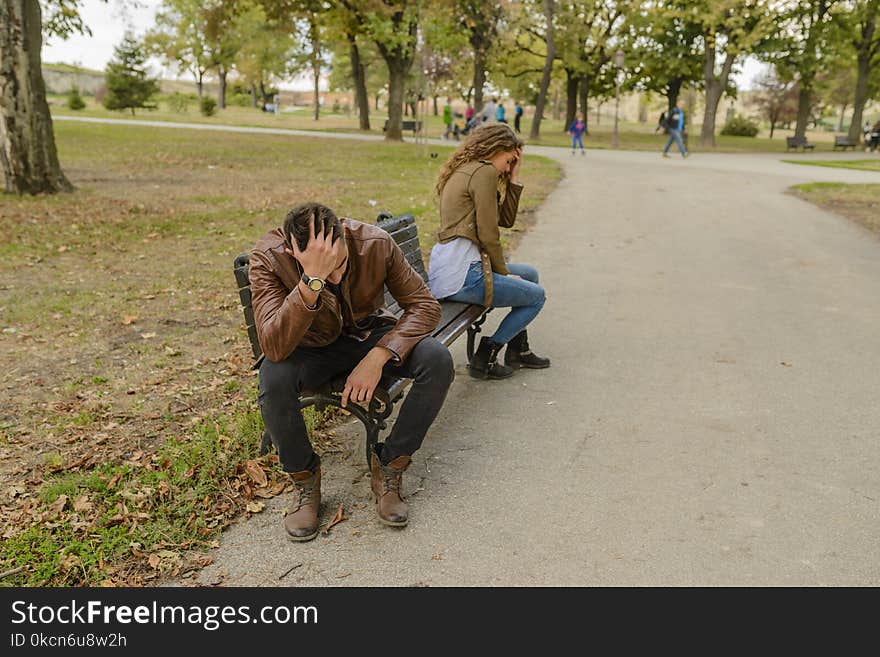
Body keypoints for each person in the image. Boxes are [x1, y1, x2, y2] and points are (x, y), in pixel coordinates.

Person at [250, 203, 454, 541]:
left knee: (437, 359)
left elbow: (425, 306)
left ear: (343, 235)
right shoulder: (270, 257)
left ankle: (389, 468)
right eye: (321, 271)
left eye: (339, 264)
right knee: (273, 378)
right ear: (291, 250)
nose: (335, 277)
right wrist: (310, 283)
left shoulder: (373, 243)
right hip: (308, 346)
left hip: (366, 336)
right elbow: (273, 346)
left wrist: (378, 356)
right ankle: (305, 483)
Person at [428, 123, 550, 380]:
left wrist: (514, 178)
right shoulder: (482, 173)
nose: (507, 167)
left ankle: (518, 351)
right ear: (497, 148)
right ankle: (488, 352)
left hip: (456, 267)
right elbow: (488, 234)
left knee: (529, 274)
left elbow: (504, 220)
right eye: (508, 161)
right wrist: (503, 272)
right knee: (537, 297)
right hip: (463, 274)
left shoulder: (470, 169)